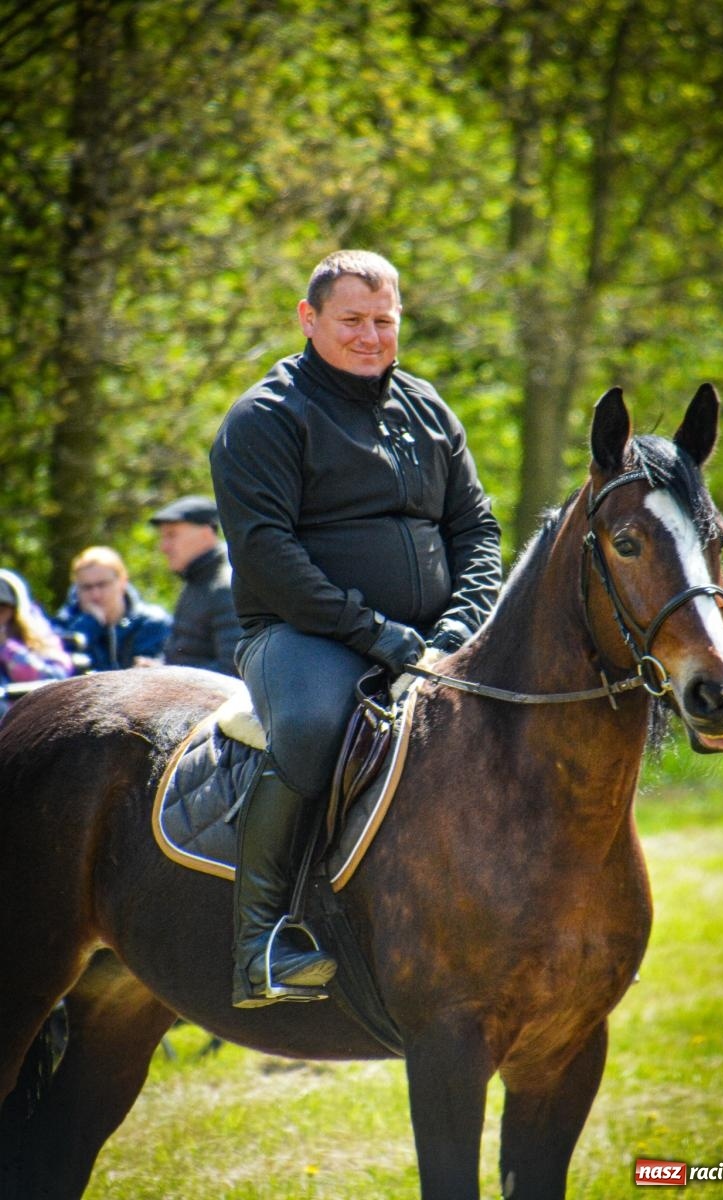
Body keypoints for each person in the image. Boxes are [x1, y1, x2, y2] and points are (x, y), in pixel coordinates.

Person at [210, 249, 502, 1008]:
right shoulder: (265, 417)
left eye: (385, 320)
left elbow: (476, 527)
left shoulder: (430, 407)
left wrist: (459, 627)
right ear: (309, 319)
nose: (372, 336)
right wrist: (381, 637)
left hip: (433, 637)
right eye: (353, 321)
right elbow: (269, 557)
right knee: (310, 726)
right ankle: (261, 942)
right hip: (303, 637)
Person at [148, 494, 241, 677]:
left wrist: (165, 677)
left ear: (206, 534)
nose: (163, 547)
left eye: (172, 535)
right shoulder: (197, 581)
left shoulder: (224, 587)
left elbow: (234, 669)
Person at [55, 546, 172, 671]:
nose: (96, 594)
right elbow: (60, 670)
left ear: (122, 582)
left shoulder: (153, 624)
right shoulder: (62, 628)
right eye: (86, 587)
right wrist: (88, 626)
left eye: (102, 585)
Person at [0, 568, 73, 716]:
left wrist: (8, 650)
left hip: (25, 725)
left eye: (1, 609)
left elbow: (58, 680)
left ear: (15, 611)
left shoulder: (40, 639)